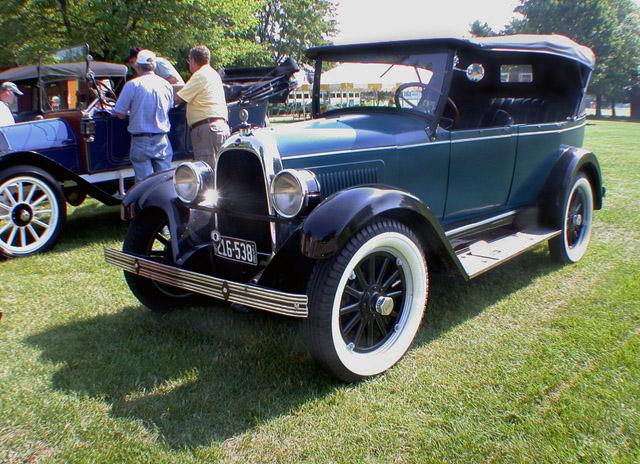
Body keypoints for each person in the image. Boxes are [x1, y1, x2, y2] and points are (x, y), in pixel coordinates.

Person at [113, 49, 174, 183]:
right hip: (162, 139)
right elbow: (169, 107)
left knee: (143, 183)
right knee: (165, 180)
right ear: (154, 66)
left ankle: (146, 204)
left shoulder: (132, 85)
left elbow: (119, 114)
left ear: (138, 66)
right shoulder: (166, 85)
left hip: (141, 140)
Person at [175, 45, 230, 168]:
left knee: (207, 170)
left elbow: (179, 98)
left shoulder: (200, 75)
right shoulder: (213, 74)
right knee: (220, 169)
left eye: (189, 60)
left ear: (193, 60)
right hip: (218, 127)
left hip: (206, 130)